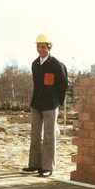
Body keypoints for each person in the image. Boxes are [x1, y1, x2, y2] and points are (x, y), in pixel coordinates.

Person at [22, 34, 68, 177]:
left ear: (49, 48)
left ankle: (47, 166)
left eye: (43, 47)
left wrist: (58, 102)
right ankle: (35, 164)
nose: (40, 49)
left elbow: (63, 85)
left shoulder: (57, 64)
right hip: (36, 104)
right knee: (35, 135)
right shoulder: (35, 64)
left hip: (50, 104)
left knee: (49, 136)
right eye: (38, 46)